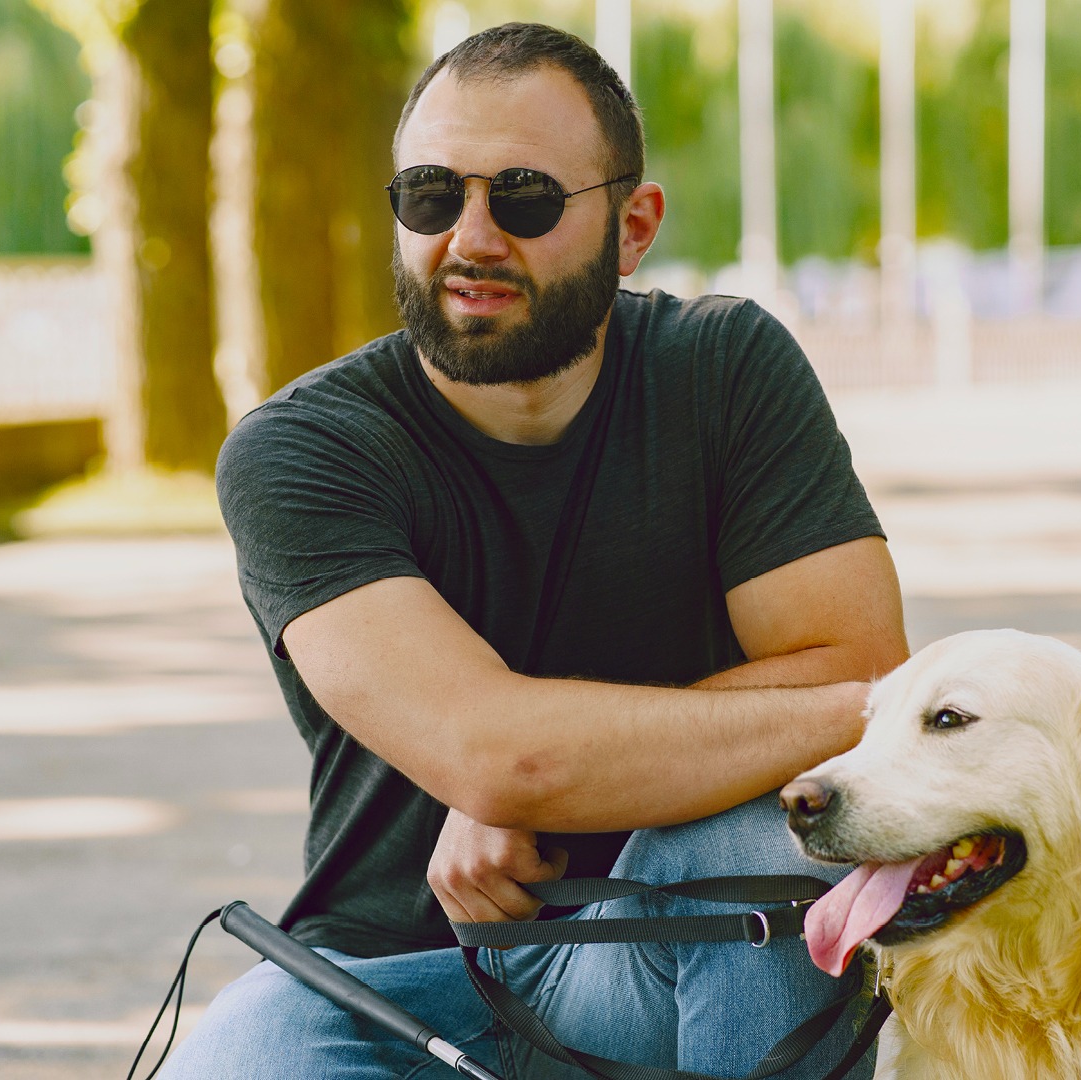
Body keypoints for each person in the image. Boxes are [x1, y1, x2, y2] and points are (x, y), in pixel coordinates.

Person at [160, 22, 908, 1079]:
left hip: (663, 939)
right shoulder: (301, 451)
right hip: (396, 978)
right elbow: (500, 752)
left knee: (763, 852)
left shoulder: (724, 370)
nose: (469, 238)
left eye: (524, 197)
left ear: (634, 225)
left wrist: (541, 768)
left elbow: (855, 657)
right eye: (429, 195)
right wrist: (513, 768)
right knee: (242, 1056)